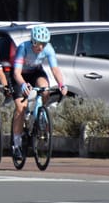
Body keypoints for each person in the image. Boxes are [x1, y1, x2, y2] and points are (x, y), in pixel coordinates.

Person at [10, 25, 68, 159]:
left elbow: (55, 70)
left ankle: (39, 114)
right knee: (21, 107)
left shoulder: (48, 49)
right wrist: (23, 84)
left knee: (45, 89)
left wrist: (61, 84)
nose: (41, 47)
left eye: (44, 44)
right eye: (38, 43)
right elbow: (16, 73)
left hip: (36, 72)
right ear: (33, 41)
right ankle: (17, 145)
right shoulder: (23, 48)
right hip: (20, 76)